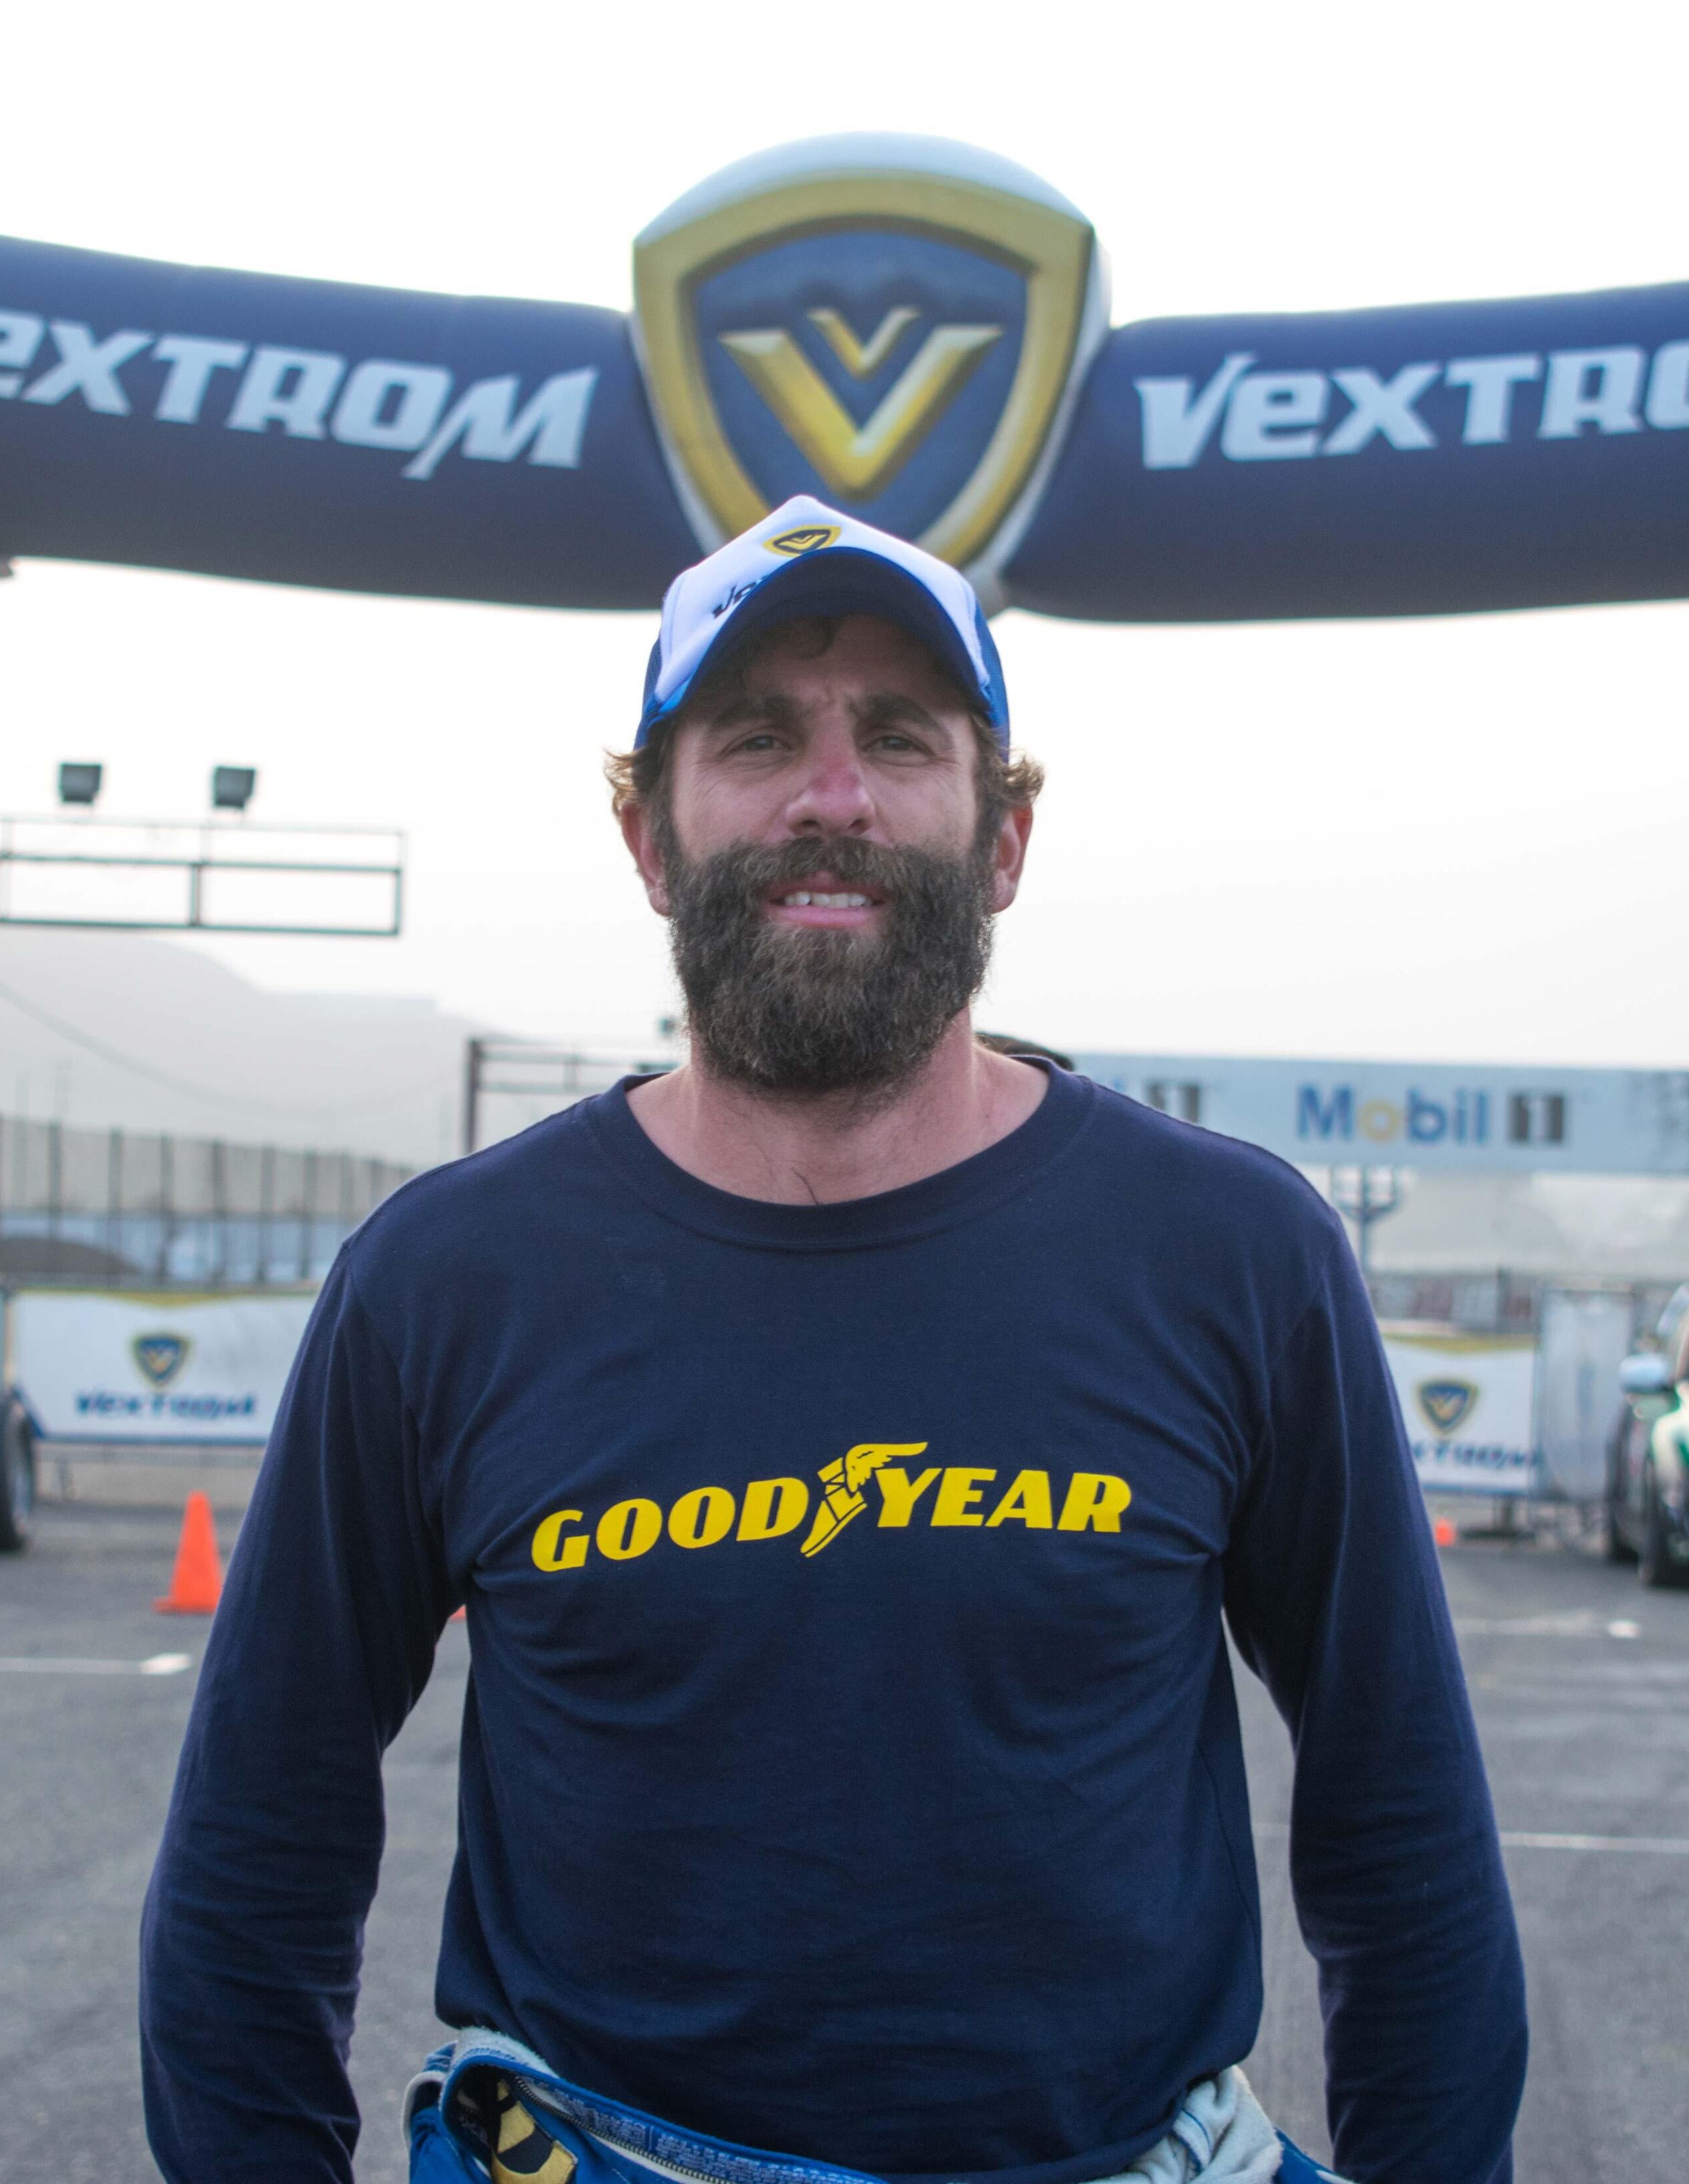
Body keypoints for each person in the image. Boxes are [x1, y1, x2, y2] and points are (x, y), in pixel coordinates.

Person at [140, 497, 1526, 2184]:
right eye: (755, 739)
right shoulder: (446, 1280)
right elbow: (257, 1847)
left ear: (1000, 840)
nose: (832, 796)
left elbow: (1405, 1833)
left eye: (897, 738)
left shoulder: (1234, 1256)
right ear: (650, 839)